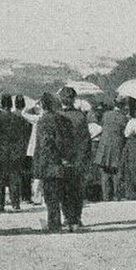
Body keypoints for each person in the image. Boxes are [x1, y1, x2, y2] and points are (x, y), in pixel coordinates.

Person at [32, 92, 74, 233]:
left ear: (43, 105)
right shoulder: (64, 120)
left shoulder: (43, 121)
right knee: (65, 194)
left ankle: (54, 225)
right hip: (63, 163)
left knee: (51, 198)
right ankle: (69, 221)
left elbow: (45, 144)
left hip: (49, 163)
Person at [59, 87, 91, 231]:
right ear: (73, 99)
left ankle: (66, 217)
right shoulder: (80, 116)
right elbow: (86, 140)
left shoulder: (57, 116)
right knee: (77, 190)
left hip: (62, 158)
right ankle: (76, 218)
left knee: (64, 189)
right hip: (78, 158)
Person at [0, 94, 28, 212]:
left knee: (0, 180)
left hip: (0, 152)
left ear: (2, 104)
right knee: (15, 178)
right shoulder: (19, 119)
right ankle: (15, 203)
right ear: (11, 104)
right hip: (15, 152)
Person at [94, 96, 127, 200]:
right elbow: (125, 133)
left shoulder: (106, 115)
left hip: (104, 147)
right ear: (122, 105)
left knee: (105, 174)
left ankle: (106, 197)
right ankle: (117, 196)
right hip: (117, 147)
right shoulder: (123, 118)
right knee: (116, 173)